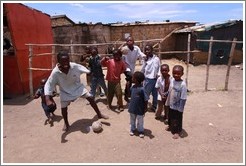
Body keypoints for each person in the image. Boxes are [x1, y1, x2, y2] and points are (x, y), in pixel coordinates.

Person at [44, 50, 109, 132]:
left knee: (90, 97)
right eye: (63, 61)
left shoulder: (74, 66)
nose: (66, 63)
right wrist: (47, 99)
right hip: (65, 91)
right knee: (64, 108)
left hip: (78, 87)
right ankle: (66, 123)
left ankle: (99, 114)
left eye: (67, 60)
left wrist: (90, 71)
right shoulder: (55, 73)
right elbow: (48, 85)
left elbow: (86, 70)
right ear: (59, 61)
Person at [165, 65, 187, 139]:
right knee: (170, 116)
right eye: (174, 73)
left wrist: (181, 109)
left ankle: (177, 131)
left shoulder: (183, 85)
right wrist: (166, 94)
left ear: (182, 74)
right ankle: (170, 126)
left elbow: (183, 98)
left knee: (177, 119)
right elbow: (170, 90)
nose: (176, 75)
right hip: (171, 103)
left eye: (178, 73)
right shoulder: (172, 80)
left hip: (178, 106)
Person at [121, 36, 145, 102]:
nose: (129, 42)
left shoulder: (136, 48)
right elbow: (122, 59)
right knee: (133, 78)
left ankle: (127, 94)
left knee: (130, 81)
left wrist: (144, 56)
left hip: (133, 66)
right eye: (128, 41)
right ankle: (131, 93)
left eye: (130, 40)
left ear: (133, 42)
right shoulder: (125, 50)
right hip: (126, 67)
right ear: (126, 42)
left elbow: (140, 54)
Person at [128, 71, 149, 138]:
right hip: (132, 108)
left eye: (133, 77)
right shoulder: (132, 87)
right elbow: (129, 94)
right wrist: (127, 86)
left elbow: (146, 99)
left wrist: (145, 108)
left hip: (140, 108)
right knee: (132, 119)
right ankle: (132, 129)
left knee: (140, 120)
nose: (132, 78)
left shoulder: (142, 89)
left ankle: (140, 131)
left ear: (136, 80)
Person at [141, 44, 161, 112]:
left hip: (155, 79)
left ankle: (154, 106)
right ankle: (145, 106)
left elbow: (159, 68)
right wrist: (141, 78)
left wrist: (158, 76)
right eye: (145, 50)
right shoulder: (145, 59)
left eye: (148, 50)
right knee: (146, 93)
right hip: (148, 79)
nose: (147, 51)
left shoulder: (156, 59)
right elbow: (143, 69)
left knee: (155, 94)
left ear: (152, 50)